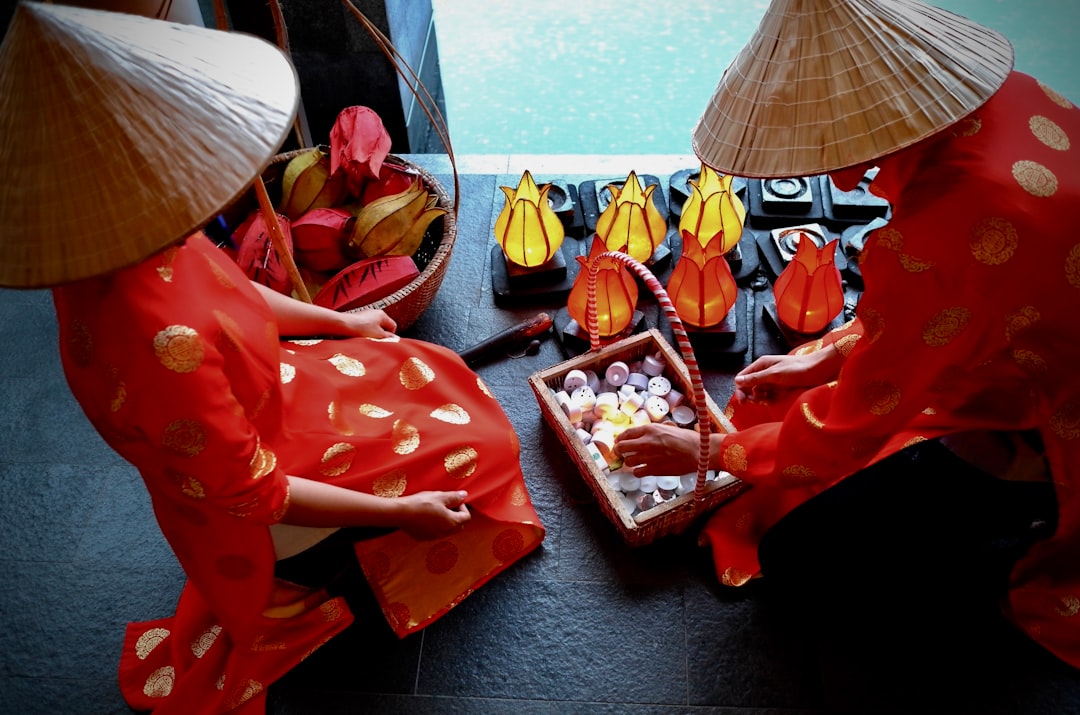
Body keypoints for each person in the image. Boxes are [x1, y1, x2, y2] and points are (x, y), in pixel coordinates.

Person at [0, 4, 543, 713]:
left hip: (268, 394)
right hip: (258, 478)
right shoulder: (163, 347)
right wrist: (407, 510)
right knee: (488, 441)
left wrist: (337, 321)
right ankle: (336, 552)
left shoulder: (119, 254)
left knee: (427, 366)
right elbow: (261, 492)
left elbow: (240, 301)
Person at [615, 0, 1079, 673]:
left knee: (800, 557)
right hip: (1045, 319)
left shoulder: (937, 235)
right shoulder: (1014, 95)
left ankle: (1021, 503)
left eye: (839, 149)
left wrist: (711, 448)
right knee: (805, 369)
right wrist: (829, 356)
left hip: (1060, 411)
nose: (837, 175)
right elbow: (970, 293)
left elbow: (849, 427)